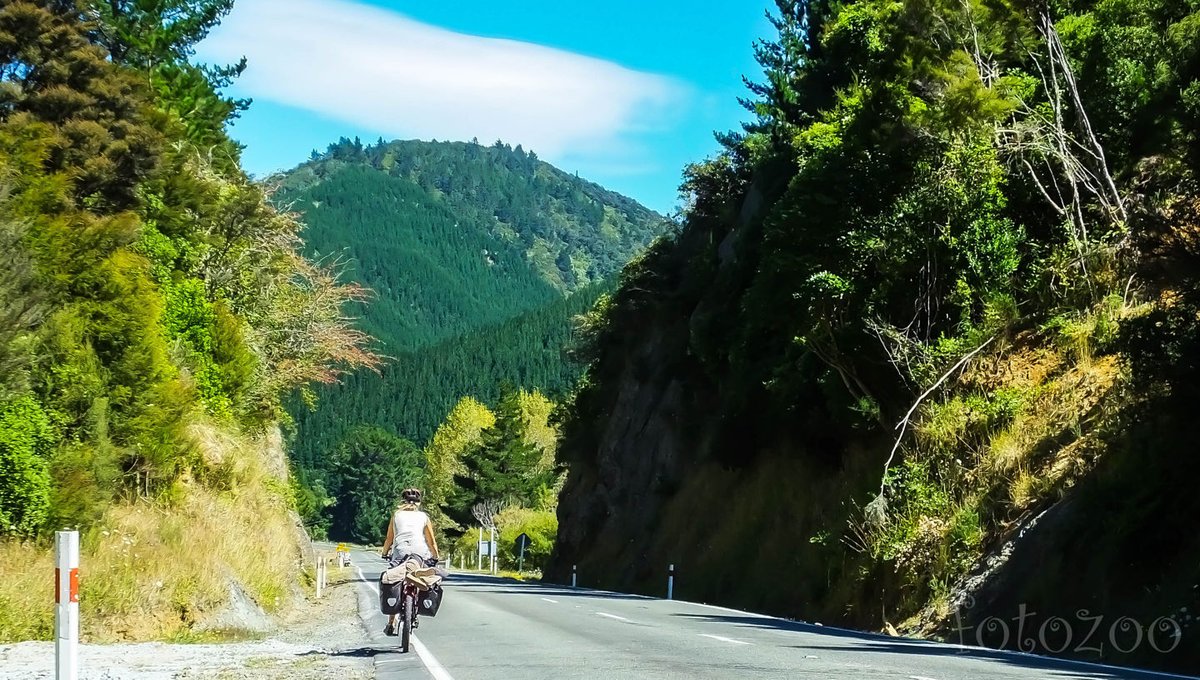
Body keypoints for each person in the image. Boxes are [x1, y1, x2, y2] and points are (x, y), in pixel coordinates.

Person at [380, 487, 439, 635]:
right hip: (419, 552)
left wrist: (384, 552)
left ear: (403, 502)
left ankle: (391, 623)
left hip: (400, 551)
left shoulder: (397, 515)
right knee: (418, 574)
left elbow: (389, 538)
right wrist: (436, 556)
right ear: (419, 503)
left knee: (395, 580)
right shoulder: (424, 517)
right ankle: (416, 607)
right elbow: (431, 541)